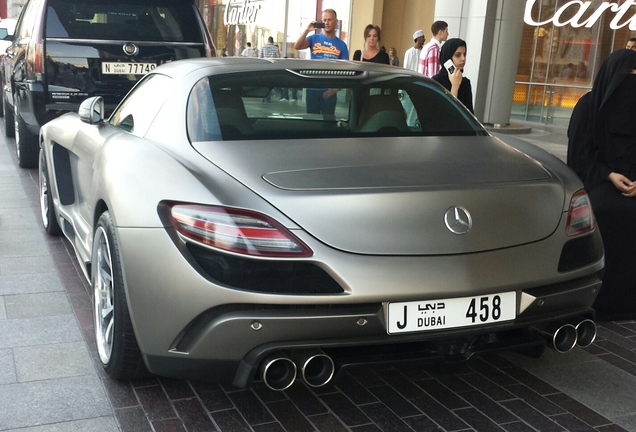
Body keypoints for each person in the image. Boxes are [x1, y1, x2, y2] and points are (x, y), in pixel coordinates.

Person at [567, 49, 636, 321]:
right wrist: (608, 174)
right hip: (599, 180)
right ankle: (601, 300)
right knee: (606, 211)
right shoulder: (588, 107)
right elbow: (579, 158)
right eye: (627, 79)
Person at [294, 9, 349, 119]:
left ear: (336, 22)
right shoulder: (314, 38)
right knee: (311, 123)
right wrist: (307, 30)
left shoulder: (341, 45)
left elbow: (346, 70)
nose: (327, 23)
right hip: (312, 89)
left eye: (329, 20)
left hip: (329, 92)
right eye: (324, 20)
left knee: (328, 123)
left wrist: (337, 88)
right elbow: (297, 46)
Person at [432, 38, 473, 114]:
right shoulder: (436, 82)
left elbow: (470, 117)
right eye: (458, 55)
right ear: (448, 58)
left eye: (464, 54)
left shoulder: (465, 83)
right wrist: (455, 87)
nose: (463, 59)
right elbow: (444, 114)